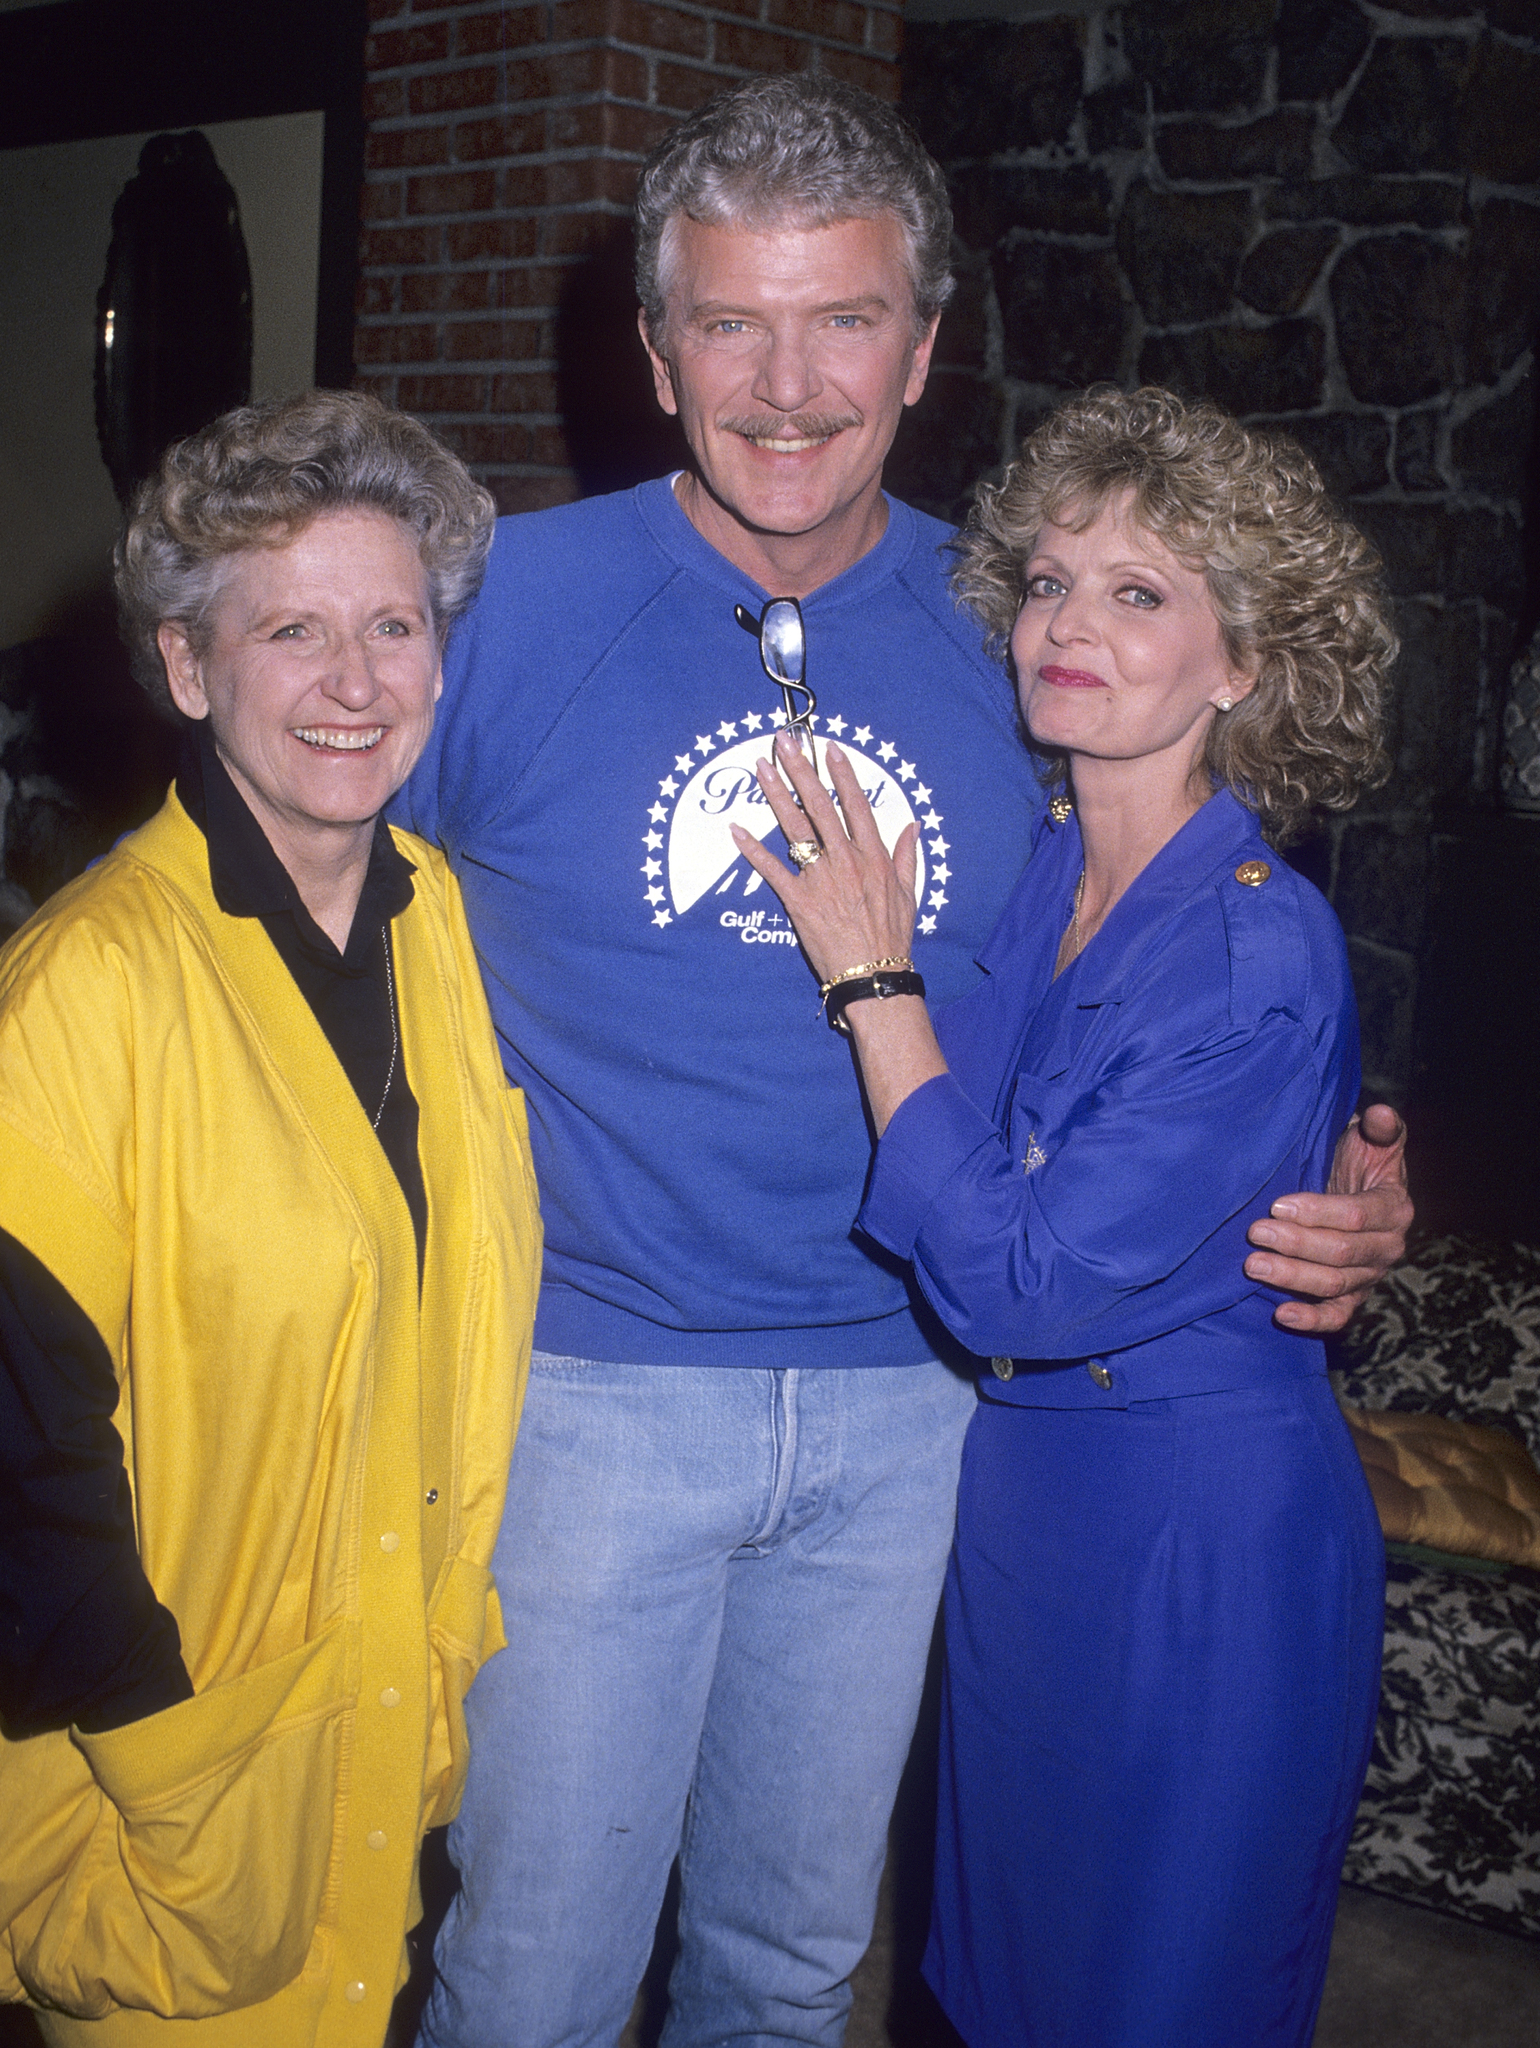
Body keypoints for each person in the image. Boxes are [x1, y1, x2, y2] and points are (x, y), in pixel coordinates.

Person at [393, 76, 1412, 2048]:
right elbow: (281, 926)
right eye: (729, 320)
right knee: (527, 1978)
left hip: (917, 1413)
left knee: (787, 1978)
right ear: (652, 348)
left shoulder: (1009, 632)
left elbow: (1169, 966)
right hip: (595, 1394)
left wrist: (1340, 1169)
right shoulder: (502, 610)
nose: (786, 382)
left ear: (925, 348)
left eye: (843, 318)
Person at [737, 385, 1394, 2046]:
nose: (1067, 625)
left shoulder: (1261, 940)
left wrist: (872, 979)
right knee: (994, 1986)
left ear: (1242, 663)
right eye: (1046, 582)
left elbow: (1025, 1278)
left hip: (1197, 1546)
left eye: (1139, 592)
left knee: (1161, 1991)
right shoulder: (1045, 863)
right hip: (1021, 1520)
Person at [0, 391, 542, 2047]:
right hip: (167, 1795)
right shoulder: (76, 993)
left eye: (393, 624)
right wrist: (172, 1780)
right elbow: (24, 1473)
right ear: (186, 669)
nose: (357, 682)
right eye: (291, 629)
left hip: (380, 1749)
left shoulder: (437, 919)